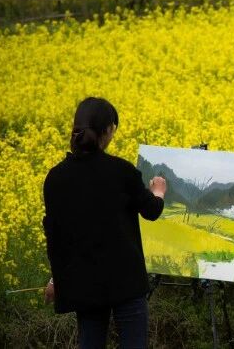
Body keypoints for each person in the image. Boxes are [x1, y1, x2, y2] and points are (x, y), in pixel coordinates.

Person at [41, 96, 168, 348]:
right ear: (108, 130)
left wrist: (57, 280)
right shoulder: (121, 171)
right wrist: (158, 191)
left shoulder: (55, 179)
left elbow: (56, 239)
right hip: (126, 283)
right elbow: (152, 210)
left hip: (85, 285)